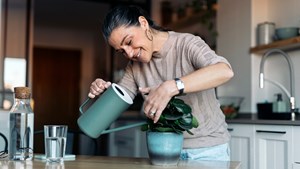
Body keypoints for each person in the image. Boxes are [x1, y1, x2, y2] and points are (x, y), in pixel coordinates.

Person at [88, 5, 234, 161]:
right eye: (122, 51)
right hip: (164, 151)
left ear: (143, 23)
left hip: (207, 150)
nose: (129, 54)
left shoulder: (187, 44)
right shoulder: (134, 67)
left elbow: (224, 71)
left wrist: (172, 86)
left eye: (129, 41)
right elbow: (118, 99)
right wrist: (103, 92)